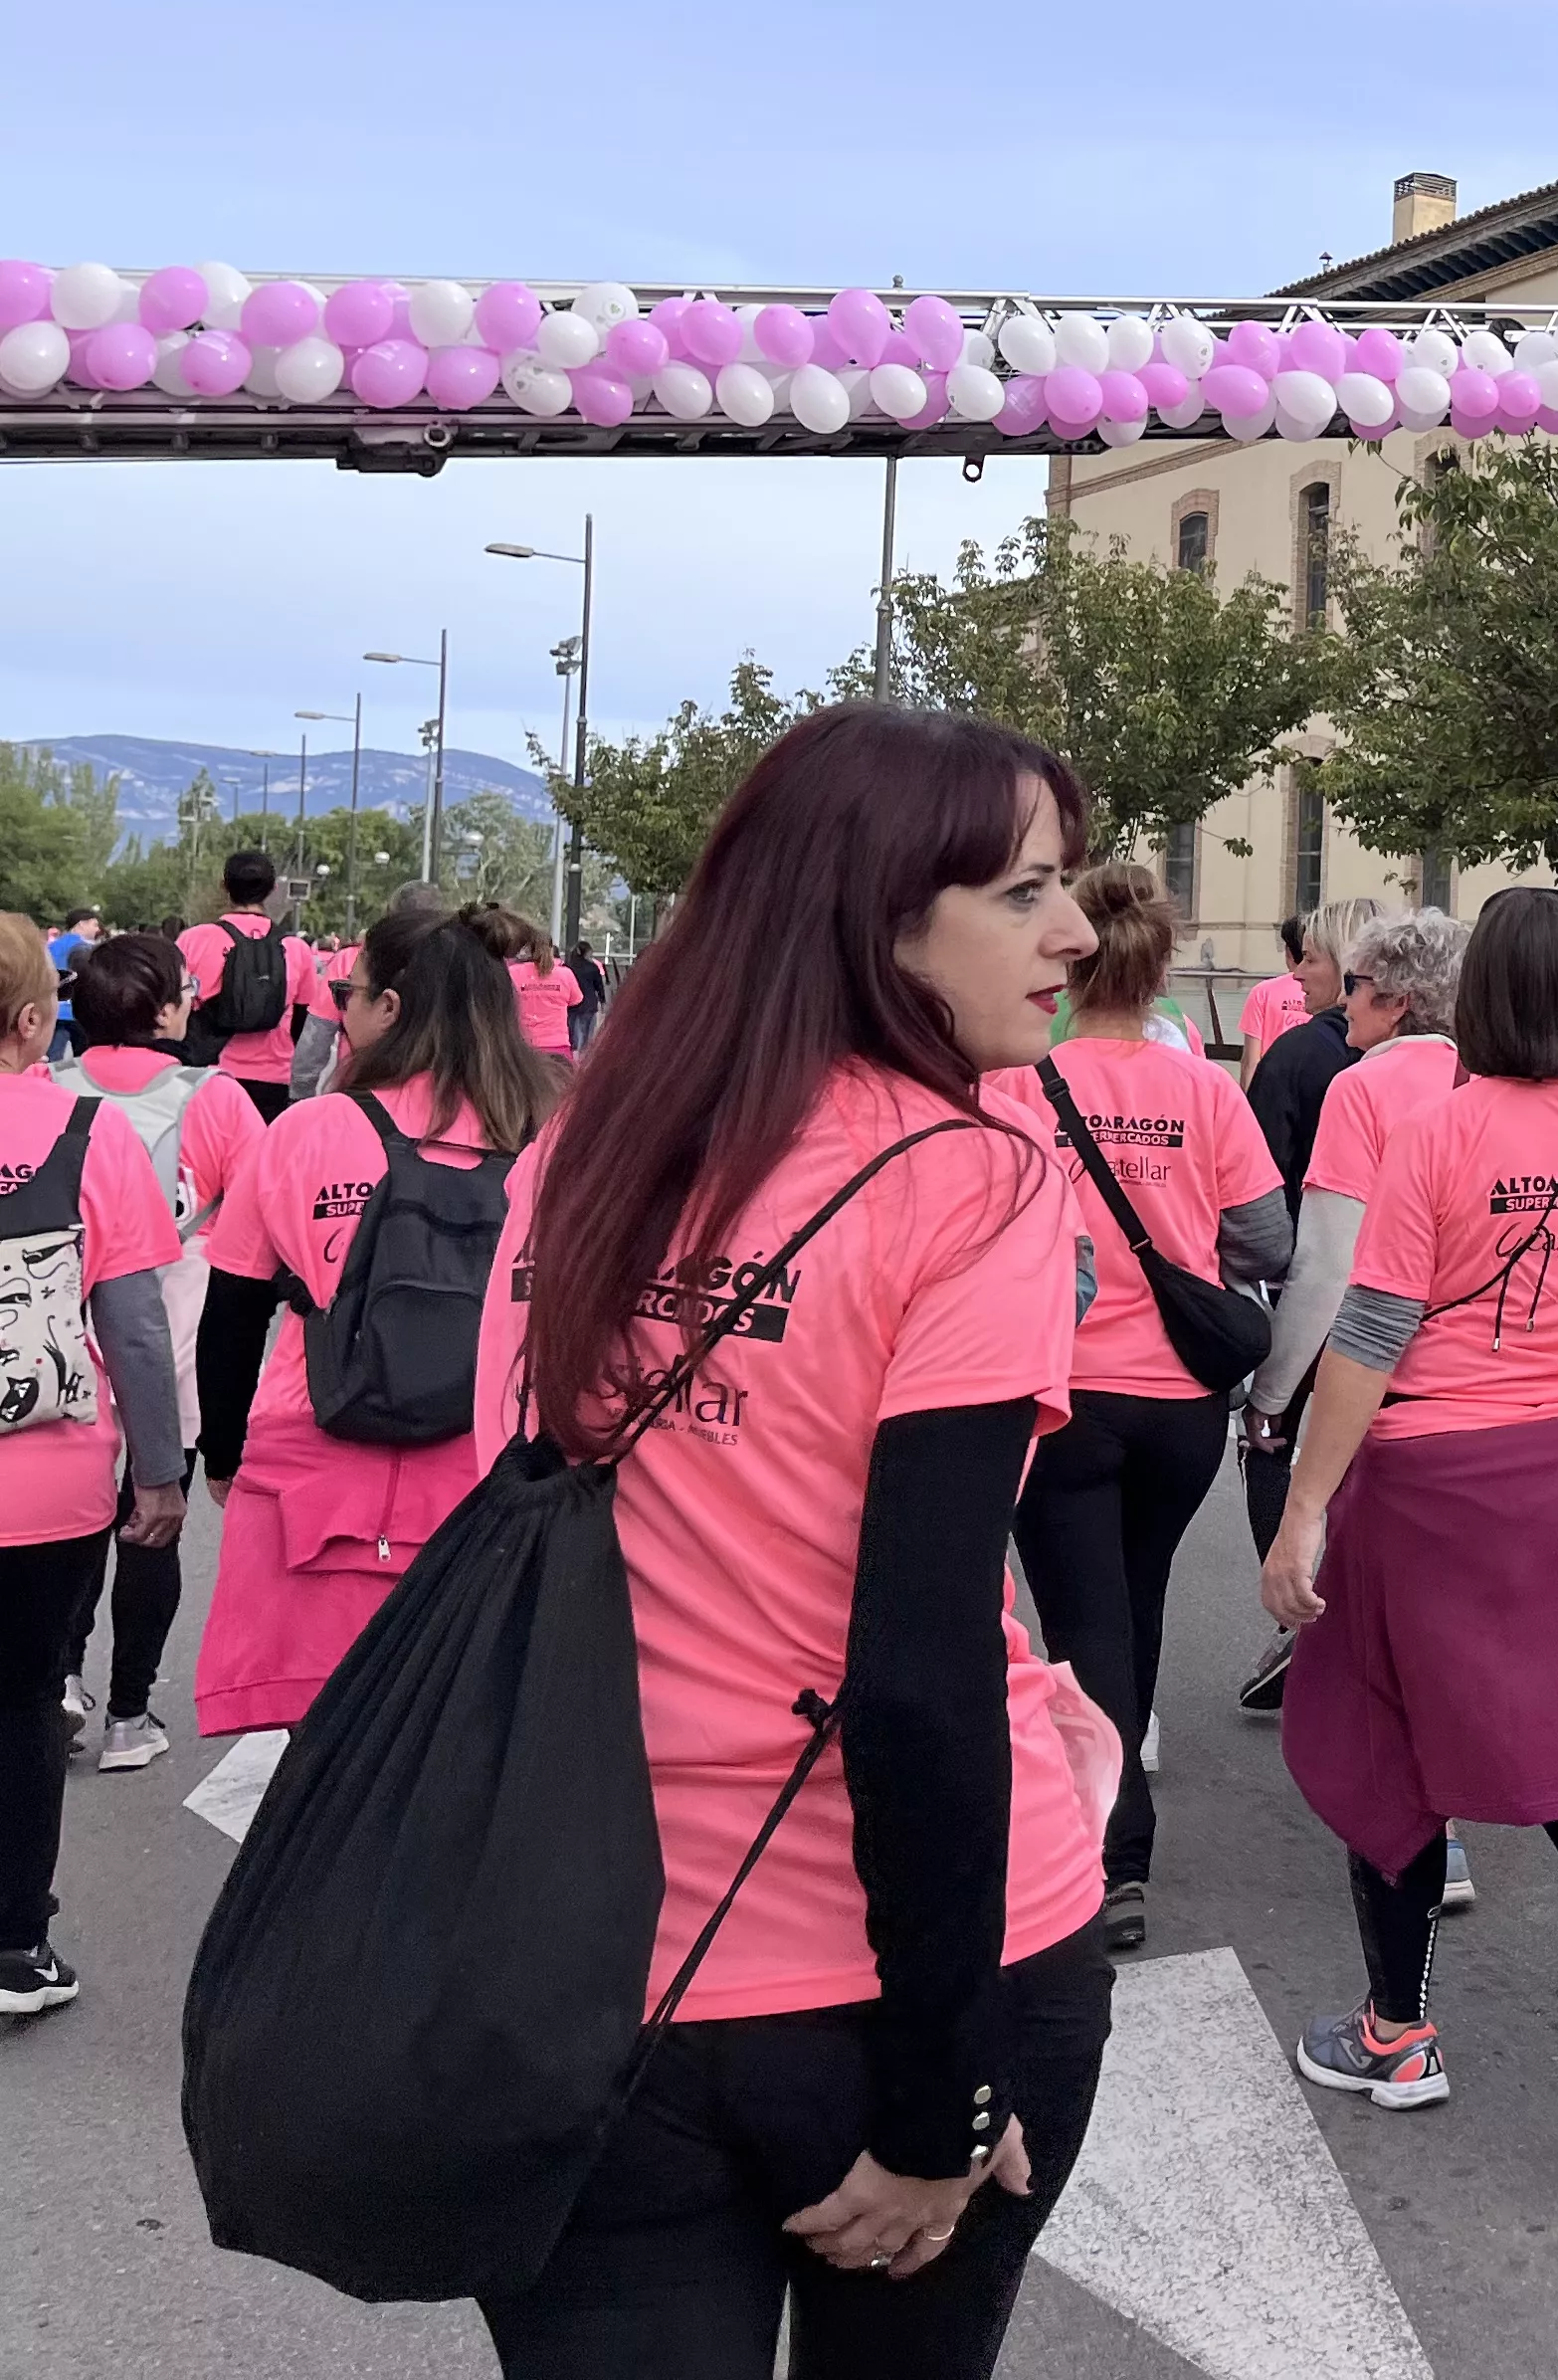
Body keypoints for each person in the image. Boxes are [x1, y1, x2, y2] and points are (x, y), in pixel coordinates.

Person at [474, 703, 1115, 2372]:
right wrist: (939, 2095)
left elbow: (515, 1527)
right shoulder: (974, 1178)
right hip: (908, 1967)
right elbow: (914, 1668)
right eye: (1029, 890)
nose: (1080, 930)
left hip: (599, 1949)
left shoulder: (581, 1155)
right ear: (881, 910)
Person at [1260, 888, 1558, 2185]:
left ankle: (1399, 2033)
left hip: (1438, 1477)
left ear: (1473, 996)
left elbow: (1371, 1332)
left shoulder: (1434, 1129)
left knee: (1393, 1753)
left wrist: (1304, 1507)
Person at [992, 863, 1288, 1957]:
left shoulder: (1025, 1082)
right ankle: (1118, 1799)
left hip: (1064, 1389)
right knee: (1135, 1599)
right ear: (1163, 967)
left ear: (1068, 963)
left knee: (1083, 1622)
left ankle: (1115, 1851)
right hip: (1179, 1399)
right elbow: (1267, 1242)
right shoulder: (1207, 1092)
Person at [193, 897, 561, 1742]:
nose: (338, 1008)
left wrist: (220, 1452)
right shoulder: (554, 1137)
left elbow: (235, 1310)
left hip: (312, 1479)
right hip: (487, 1478)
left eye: (347, 993)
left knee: (317, 1772)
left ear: (389, 1008)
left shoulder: (307, 1131)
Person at [0, 912, 185, 2017]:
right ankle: (16, 1949)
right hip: (44, 1482)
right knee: (22, 1701)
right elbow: (136, 1327)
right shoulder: (87, 1134)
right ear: (35, 1019)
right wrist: (156, 1473)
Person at [1238, 908, 1464, 1713]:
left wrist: (1272, 1392)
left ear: (1398, 1000)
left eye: (1357, 987)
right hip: (1473, 1374)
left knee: (1370, 1589)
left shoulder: (1362, 1086)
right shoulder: (1486, 1080)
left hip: (1377, 1370)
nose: (1343, 1006)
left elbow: (1330, 1261)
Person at [54, 932, 265, 1772]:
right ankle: (131, 1716)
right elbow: (254, 1219)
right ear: (168, 1008)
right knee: (152, 1520)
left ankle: (61, 1676)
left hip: (67, 1327)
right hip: (175, 1322)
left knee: (70, 1526)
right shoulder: (215, 1097)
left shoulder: (51, 1091)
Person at [180, 849, 332, 1123]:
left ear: (224, 886)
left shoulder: (193, 940)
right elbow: (302, 1024)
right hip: (273, 1078)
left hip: (206, 1071)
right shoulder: (295, 949)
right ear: (274, 889)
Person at [1241, 900, 1373, 1199]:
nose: (1297, 973)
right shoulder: (1433, 1056)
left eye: (1310, 960)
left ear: (1346, 966)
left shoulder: (1293, 1055)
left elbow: (1257, 1179)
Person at [473, 899, 582, 1064]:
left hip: (524, 1047)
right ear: (552, 949)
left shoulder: (513, 973)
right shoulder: (565, 975)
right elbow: (577, 1000)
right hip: (558, 1045)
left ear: (527, 948)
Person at [1240, 915, 1315, 1071]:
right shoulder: (1329, 995)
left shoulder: (1262, 992)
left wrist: (1247, 1094)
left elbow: (1250, 1061)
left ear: (1288, 952)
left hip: (1271, 1083)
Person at [44, 907, 97, 1059]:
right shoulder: (89, 950)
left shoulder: (50, 947)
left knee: (53, 1058)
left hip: (55, 1011)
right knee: (84, 1060)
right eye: (94, 924)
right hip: (79, 1012)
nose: (97, 929)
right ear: (81, 924)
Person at [564, 935, 609, 1053]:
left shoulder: (568, 967)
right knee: (587, 1034)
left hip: (571, 1005)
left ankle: (574, 1053)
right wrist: (603, 1001)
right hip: (589, 1003)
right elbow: (599, 986)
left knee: (574, 1031)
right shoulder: (592, 967)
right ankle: (583, 1055)